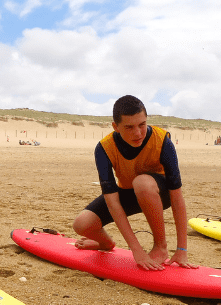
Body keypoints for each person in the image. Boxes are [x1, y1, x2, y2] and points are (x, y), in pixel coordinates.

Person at [72, 95, 193, 270]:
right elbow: (112, 202)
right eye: (129, 127)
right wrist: (136, 250)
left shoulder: (162, 141)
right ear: (116, 127)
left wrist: (182, 248)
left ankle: (161, 246)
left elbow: (177, 197)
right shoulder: (104, 148)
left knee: (142, 182)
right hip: (128, 192)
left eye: (142, 124)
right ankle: (105, 243)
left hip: (159, 193)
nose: (137, 133)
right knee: (82, 224)